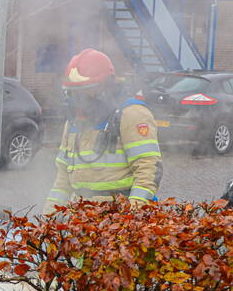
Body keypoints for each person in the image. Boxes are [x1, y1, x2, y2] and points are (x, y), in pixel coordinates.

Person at [43, 48, 163, 214]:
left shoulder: (132, 114)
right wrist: (48, 219)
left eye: (86, 90)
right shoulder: (73, 123)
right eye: (74, 92)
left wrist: (131, 218)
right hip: (80, 217)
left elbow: (148, 171)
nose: (79, 99)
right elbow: (63, 180)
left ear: (106, 87)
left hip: (117, 216)